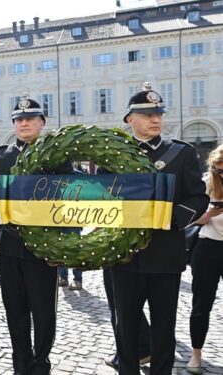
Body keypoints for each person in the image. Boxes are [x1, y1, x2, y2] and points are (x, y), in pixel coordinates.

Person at [111, 83, 208, 374]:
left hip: (165, 255)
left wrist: (170, 218)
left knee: (164, 328)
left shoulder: (181, 153)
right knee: (125, 328)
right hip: (123, 256)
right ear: (130, 119)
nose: (156, 119)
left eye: (159, 113)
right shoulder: (112, 155)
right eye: (147, 114)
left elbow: (198, 197)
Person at [0, 96, 66, 374]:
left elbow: (72, 195)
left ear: (42, 122)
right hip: (11, 248)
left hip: (43, 250)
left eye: (31, 118)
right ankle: (21, 364)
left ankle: (41, 363)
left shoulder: (57, 157)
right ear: (14, 125)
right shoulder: (1, 156)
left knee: (43, 312)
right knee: (15, 311)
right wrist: (5, 222)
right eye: (19, 119)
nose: (24, 123)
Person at [186, 144, 223, 374]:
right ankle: (195, 355)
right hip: (208, 248)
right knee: (201, 305)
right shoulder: (206, 182)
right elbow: (190, 218)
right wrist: (207, 215)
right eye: (219, 170)